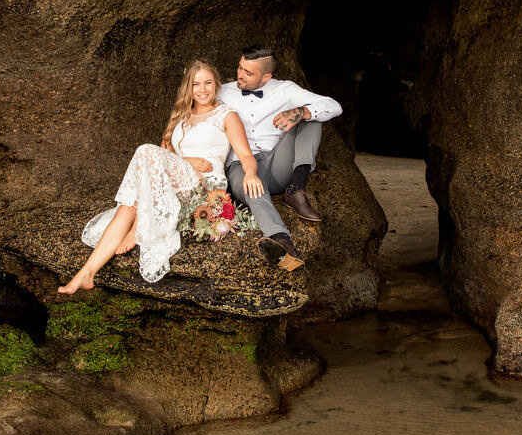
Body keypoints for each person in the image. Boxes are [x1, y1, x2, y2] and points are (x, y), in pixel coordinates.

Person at [58, 60, 264, 295]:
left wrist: (251, 173)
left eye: (208, 83)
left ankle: (138, 228)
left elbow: (246, 154)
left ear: (216, 84)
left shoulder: (226, 116)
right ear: (188, 87)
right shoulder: (181, 116)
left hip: (203, 184)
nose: (203, 89)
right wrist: (187, 161)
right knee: (128, 206)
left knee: (144, 151)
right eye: (196, 84)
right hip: (175, 180)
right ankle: (87, 273)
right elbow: (162, 159)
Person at [220, 45, 342, 266]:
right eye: (240, 68)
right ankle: (281, 240)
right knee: (252, 185)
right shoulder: (222, 91)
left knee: (312, 117)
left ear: (267, 77)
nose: (240, 75)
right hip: (240, 166)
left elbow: (333, 106)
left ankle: (296, 187)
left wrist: (301, 112)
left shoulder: (285, 90)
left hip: (277, 164)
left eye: (248, 72)